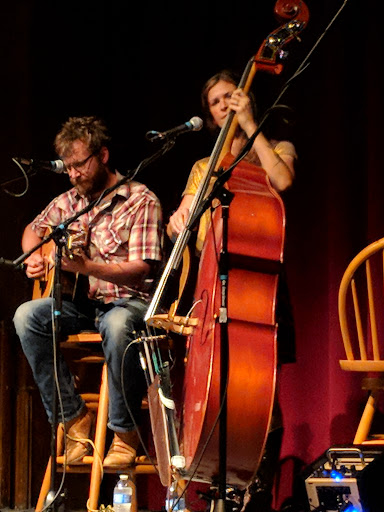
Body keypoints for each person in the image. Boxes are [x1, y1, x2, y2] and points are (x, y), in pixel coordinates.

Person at [167, 70, 297, 512]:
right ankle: (213, 484)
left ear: (246, 99)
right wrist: (178, 219)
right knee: (209, 390)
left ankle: (256, 490)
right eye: (216, 103)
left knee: (261, 395)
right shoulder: (204, 168)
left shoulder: (275, 148)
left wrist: (250, 127)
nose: (224, 106)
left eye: (231, 98)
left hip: (258, 289)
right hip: (209, 291)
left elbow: (282, 182)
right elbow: (187, 217)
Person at [13, 116, 163, 467]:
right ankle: (73, 419)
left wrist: (86, 268)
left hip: (130, 304)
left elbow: (142, 268)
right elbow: (33, 230)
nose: (74, 174)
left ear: (103, 155)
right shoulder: (68, 201)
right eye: (68, 169)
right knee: (27, 317)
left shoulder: (141, 201)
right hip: (82, 305)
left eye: (80, 164)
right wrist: (35, 257)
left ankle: (124, 435)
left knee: (116, 325)